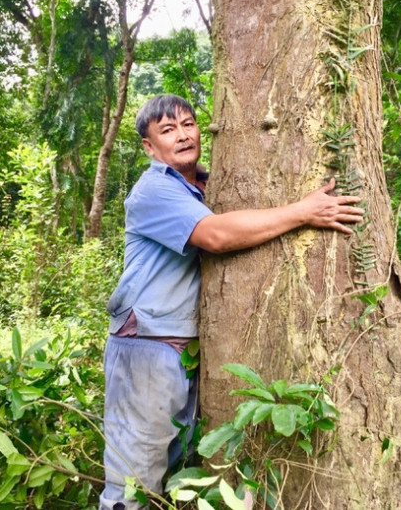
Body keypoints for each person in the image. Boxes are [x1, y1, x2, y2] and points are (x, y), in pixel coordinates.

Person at [99, 94, 364, 510]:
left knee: (177, 473)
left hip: (183, 351)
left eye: (188, 124)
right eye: (168, 131)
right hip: (146, 349)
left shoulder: (199, 186)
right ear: (150, 147)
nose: (183, 135)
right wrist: (303, 211)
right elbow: (217, 236)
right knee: (132, 483)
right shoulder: (153, 190)